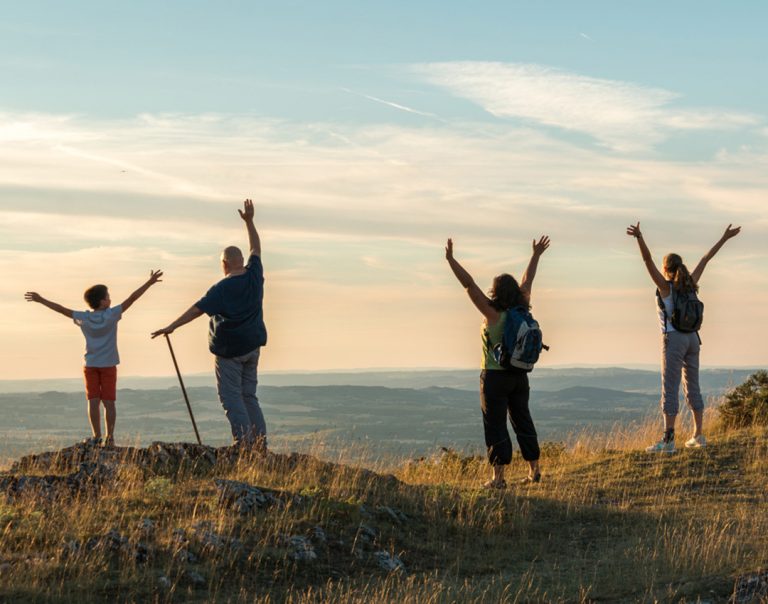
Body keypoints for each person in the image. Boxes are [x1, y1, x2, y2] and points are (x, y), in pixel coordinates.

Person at [152, 199, 268, 450]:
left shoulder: (221, 288)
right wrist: (250, 222)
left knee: (231, 397)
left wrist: (172, 326)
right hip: (253, 347)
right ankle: (260, 445)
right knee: (249, 395)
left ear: (224, 264)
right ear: (241, 261)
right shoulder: (254, 275)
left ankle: (245, 446)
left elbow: (196, 310)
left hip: (229, 352)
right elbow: (256, 248)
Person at [626, 222, 741, 453]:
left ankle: (668, 442)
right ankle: (698, 435)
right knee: (693, 386)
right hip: (693, 340)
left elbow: (647, 261)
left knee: (670, 388)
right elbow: (706, 258)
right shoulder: (690, 284)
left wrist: (639, 237)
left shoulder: (666, 287)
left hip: (673, 340)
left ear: (666, 269)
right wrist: (725, 237)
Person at [445, 236, 550, 488]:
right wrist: (535, 255)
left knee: (495, 426)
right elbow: (528, 279)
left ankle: (498, 478)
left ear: (495, 292)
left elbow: (469, 284)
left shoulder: (492, 314)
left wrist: (451, 260)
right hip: (519, 375)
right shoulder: (522, 306)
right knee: (523, 419)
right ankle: (534, 470)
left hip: (494, 377)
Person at [25, 270, 163, 447]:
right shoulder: (111, 315)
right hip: (108, 364)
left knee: (93, 401)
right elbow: (132, 298)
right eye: (108, 296)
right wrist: (149, 283)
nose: (110, 298)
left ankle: (96, 436)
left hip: (90, 364)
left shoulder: (84, 318)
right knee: (109, 402)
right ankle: (110, 438)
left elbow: (61, 309)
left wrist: (41, 299)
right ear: (102, 301)